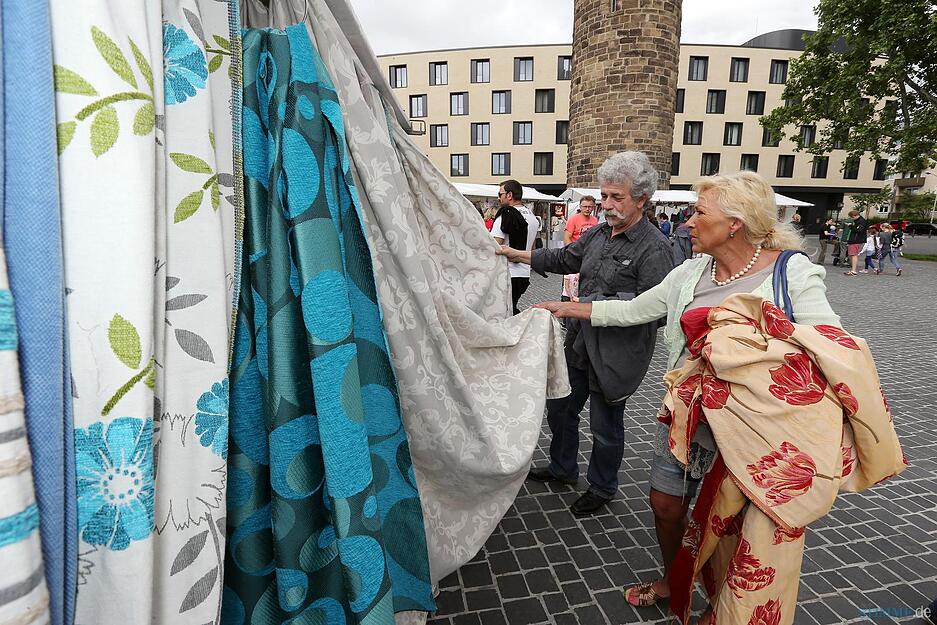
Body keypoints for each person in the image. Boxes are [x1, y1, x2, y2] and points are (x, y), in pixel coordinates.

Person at [535, 171, 843, 620]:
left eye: (700, 213)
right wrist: (567, 307)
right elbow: (636, 309)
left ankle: (727, 603)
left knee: (739, 522)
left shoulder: (790, 271)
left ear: (735, 222)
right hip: (690, 415)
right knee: (665, 503)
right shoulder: (692, 270)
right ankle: (673, 577)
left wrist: (746, 348)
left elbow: (829, 341)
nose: (687, 222)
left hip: (754, 429)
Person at [497, 151, 674, 515]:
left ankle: (602, 486)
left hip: (615, 354)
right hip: (579, 344)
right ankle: (563, 468)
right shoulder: (598, 234)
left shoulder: (656, 247)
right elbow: (564, 259)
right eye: (604, 196)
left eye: (616, 197)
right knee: (561, 408)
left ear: (641, 199)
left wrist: (586, 306)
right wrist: (517, 254)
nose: (606, 205)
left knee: (605, 427)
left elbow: (655, 311)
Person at [491, 179, 540, 314]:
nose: (498, 197)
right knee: (512, 308)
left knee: (502, 313)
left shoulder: (506, 215)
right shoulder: (533, 217)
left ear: (509, 195)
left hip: (507, 272)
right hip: (524, 273)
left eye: (500, 194)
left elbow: (495, 245)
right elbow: (533, 246)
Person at [561, 196, 599, 301]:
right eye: (585, 206)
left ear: (593, 207)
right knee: (568, 285)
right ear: (580, 207)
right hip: (574, 256)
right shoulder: (573, 219)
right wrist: (572, 253)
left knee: (584, 283)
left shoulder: (594, 220)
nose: (587, 209)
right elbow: (567, 237)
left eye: (590, 207)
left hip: (588, 257)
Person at [844, 209, 867, 276]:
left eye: (852, 217)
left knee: (854, 255)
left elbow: (859, 230)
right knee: (853, 254)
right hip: (855, 240)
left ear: (855, 216)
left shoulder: (861, 221)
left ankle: (853, 271)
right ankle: (853, 270)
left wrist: (850, 226)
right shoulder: (858, 220)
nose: (851, 218)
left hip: (856, 240)